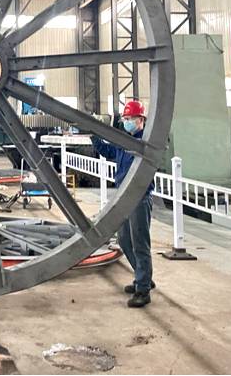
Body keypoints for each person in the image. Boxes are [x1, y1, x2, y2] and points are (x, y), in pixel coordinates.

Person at [91, 100, 154, 308]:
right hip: (123, 196)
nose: (127, 122)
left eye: (130, 119)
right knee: (124, 239)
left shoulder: (145, 143)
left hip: (139, 197)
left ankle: (143, 289)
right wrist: (93, 134)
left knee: (140, 244)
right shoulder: (123, 141)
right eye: (125, 119)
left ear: (141, 120)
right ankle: (143, 277)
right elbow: (108, 151)